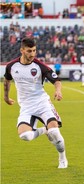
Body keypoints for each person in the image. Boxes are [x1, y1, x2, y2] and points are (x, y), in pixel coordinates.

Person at [3, 37, 68, 168]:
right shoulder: (11, 66)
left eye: (34, 51)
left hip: (42, 103)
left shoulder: (40, 66)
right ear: (22, 50)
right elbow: (7, 81)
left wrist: (58, 91)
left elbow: (56, 80)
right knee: (25, 136)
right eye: (29, 51)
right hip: (26, 107)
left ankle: (62, 158)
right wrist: (6, 97)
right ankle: (44, 130)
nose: (32, 54)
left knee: (55, 132)